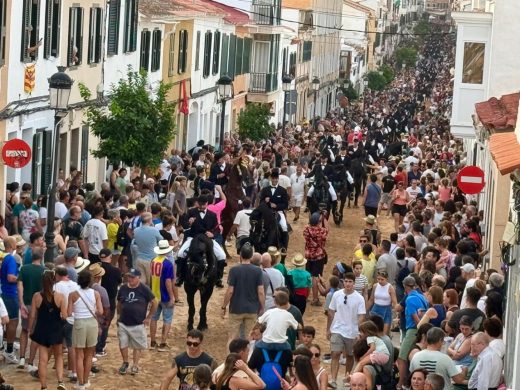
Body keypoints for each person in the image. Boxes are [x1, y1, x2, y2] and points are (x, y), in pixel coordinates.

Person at [28, 270, 67, 390]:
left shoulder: (36, 296)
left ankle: (44, 386)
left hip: (42, 329)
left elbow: (33, 316)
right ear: (54, 281)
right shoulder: (60, 296)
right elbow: (64, 316)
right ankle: (60, 381)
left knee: (42, 360)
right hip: (55, 329)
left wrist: (30, 329)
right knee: (58, 356)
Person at [327, 272, 366, 388]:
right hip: (337, 328)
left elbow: (362, 315)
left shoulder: (359, 298)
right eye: (346, 281)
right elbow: (331, 312)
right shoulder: (336, 295)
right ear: (343, 282)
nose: (348, 284)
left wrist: (356, 328)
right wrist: (328, 329)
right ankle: (333, 379)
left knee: (350, 355)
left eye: (350, 281)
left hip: (352, 332)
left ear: (354, 283)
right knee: (335, 353)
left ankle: (347, 377)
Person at [117, 268, 158, 375]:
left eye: (132, 277)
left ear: (138, 278)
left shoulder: (144, 289)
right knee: (122, 344)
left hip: (138, 322)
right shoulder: (123, 288)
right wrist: (118, 315)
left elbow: (155, 302)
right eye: (129, 276)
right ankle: (125, 362)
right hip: (123, 322)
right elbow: (119, 303)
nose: (129, 279)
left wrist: (149, 317)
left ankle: (135, 365)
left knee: (137, 346)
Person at [68, 270, 103, 390]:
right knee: (89, 355)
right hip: (92, 323)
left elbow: (69, 312)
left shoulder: (73, 294)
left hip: (79, 323)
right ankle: (86, 381)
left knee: (79, 355)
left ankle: (80, 382)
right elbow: (101, 311)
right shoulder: (96, 293)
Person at [221, 244, 265, 341]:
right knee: (250, 338)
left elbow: (230, 291)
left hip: (236, 308)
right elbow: (261, 292)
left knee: (232, 338)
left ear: (240, 255)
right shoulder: (258, 271)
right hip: (252, 309)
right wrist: (262, 306)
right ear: (251, 256)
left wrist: (224, 306)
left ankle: (231, 356)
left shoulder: (234, 270)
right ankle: (248, 356)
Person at [396, 276, 429, 389]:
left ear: (405, 286)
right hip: (421, 330)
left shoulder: (409, 299)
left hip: (413, 330)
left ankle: (402, 383)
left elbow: (415, 318)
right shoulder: (422, 296)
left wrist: (420, 329)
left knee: (402, 357)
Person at [17, 247, 45, 369]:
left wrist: (21, 302)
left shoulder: (24, 269)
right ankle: (31, 362)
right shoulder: (44, 271)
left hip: (27, 303)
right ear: (42, 257)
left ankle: (22, 358)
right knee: (35, 333)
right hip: (39, 305)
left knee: (24, 330)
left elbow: (20, 286)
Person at [54, 266, 79, 382]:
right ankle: (72, 372)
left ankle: (49, 368)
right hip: (74, 318)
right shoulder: (75, 285)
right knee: (71, 346)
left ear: (58, 275)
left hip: (60, 318)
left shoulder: (56, 286)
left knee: (56, 346)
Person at [150, 240, 176, 351]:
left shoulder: (153, 261)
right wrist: (172, 296)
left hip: (155, 295)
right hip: (165, 296)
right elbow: (168, 281)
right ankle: (163, 343)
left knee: (154, 318)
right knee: (167, 319)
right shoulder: (167, 263)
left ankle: (152, 341)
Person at [353, 321, 390, 390]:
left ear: (366, 332)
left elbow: (372, 348)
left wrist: (364, 356)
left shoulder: (370, 338)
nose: (360, 334)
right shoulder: (379, 339)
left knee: (361, 363)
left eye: (361, 332)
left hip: (379, 354)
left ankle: (352, 376)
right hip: (384, 356)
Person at [1, 237, 20, 363]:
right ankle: (9, 350)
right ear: (12, 245)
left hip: (4, 292)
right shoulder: (11, 259)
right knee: (13, 322)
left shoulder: (4, 258)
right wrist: (21, 279)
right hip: (10, 294)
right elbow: (10, 277)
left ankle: (8, 344)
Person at [303, 212, 329, 306]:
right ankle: (315, 298)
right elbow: (327, 229)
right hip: (318, 256)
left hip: (308, 255)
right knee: (316, 277)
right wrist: (324, 218)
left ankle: (305, 297)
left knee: (309, 276)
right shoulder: (321, 231)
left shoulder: (306, 229)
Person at [367, 271, 397, 335]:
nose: (380, 281)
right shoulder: (375, 286)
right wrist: (365, 310)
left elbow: (394, 302)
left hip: (386, 310)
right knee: (372, 331)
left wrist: (396, 316)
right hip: (375, 309)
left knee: (383, 333)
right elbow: (371, 299)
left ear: (386, 279)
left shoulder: (390, 288)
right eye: (378, 279)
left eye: (382, 279)